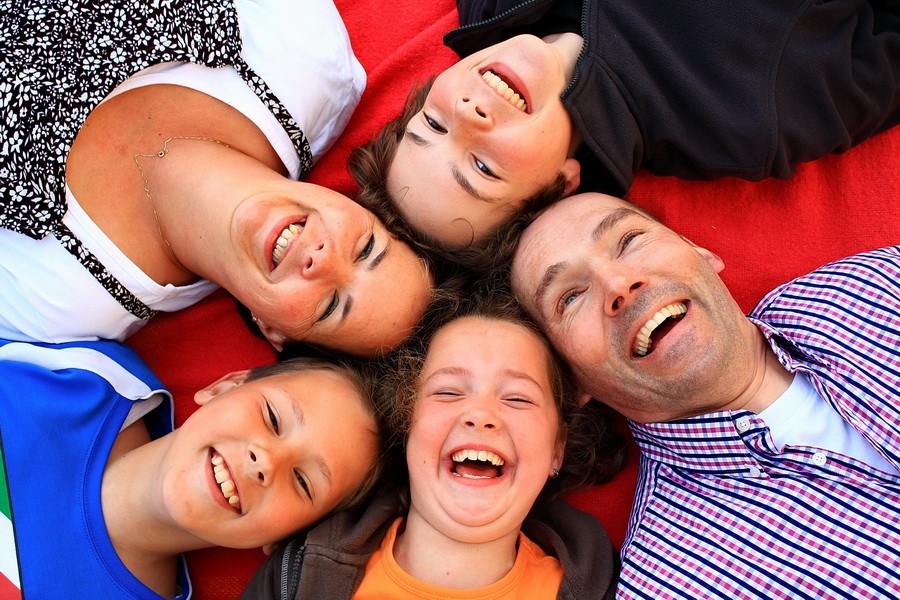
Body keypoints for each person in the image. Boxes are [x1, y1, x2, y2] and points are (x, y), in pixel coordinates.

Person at [510, 192, 900, 598]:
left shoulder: (879, 281)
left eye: (628, 240)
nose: (619, 284)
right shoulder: (672, 584)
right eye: (570, 297)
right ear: (568, 381)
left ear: (698, 250)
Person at [0, 0, 433, 356]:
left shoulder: (58, 301)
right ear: (361, 205)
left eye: (330, 306)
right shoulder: (304, 60)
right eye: (365, 249)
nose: (323, 260)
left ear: (273, 331)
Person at [349, 0, 900, 256]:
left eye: (434, 123)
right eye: (482, 167)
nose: (469, 116)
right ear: (561, 187)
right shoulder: (738, 115)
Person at [241, 295, 626, 599]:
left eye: (517, 398)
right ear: (406, 425)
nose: (480, 415)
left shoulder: (602, 587)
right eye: (448, 392)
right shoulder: (298, 577)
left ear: (557, 448)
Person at [0, 338, 384, 599]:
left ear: (285, 538)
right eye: (272, 417)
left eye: (302, 482)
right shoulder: (90, 374)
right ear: (225, 387)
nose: (267, 461)